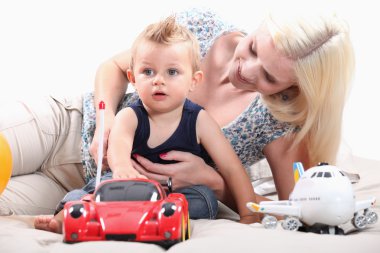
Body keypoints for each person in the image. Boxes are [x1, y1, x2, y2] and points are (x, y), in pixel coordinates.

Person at [0, 8, 355, 216]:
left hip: (90, 188)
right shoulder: (199, 28)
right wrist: (105, 123)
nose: (246, 68)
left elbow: (297, 209)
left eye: (268, 76)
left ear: (291, 89)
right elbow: (113, 66)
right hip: (67, 126)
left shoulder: (277, 124)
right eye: (252, 48)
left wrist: (214, 183)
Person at [34, 16, 260, 233]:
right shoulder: (131, 115)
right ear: (132, 78)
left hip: (174, 194)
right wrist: (123, 168)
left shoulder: (200, 121)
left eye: (172, 72)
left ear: (193, 80)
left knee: (205, 200)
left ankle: (144, 213)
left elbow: (232, 168)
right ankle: (65, 219)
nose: (158, 80)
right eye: (148, 72)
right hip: (129, 185)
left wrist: (249, 215)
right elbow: (118, 146)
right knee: (91, 190)